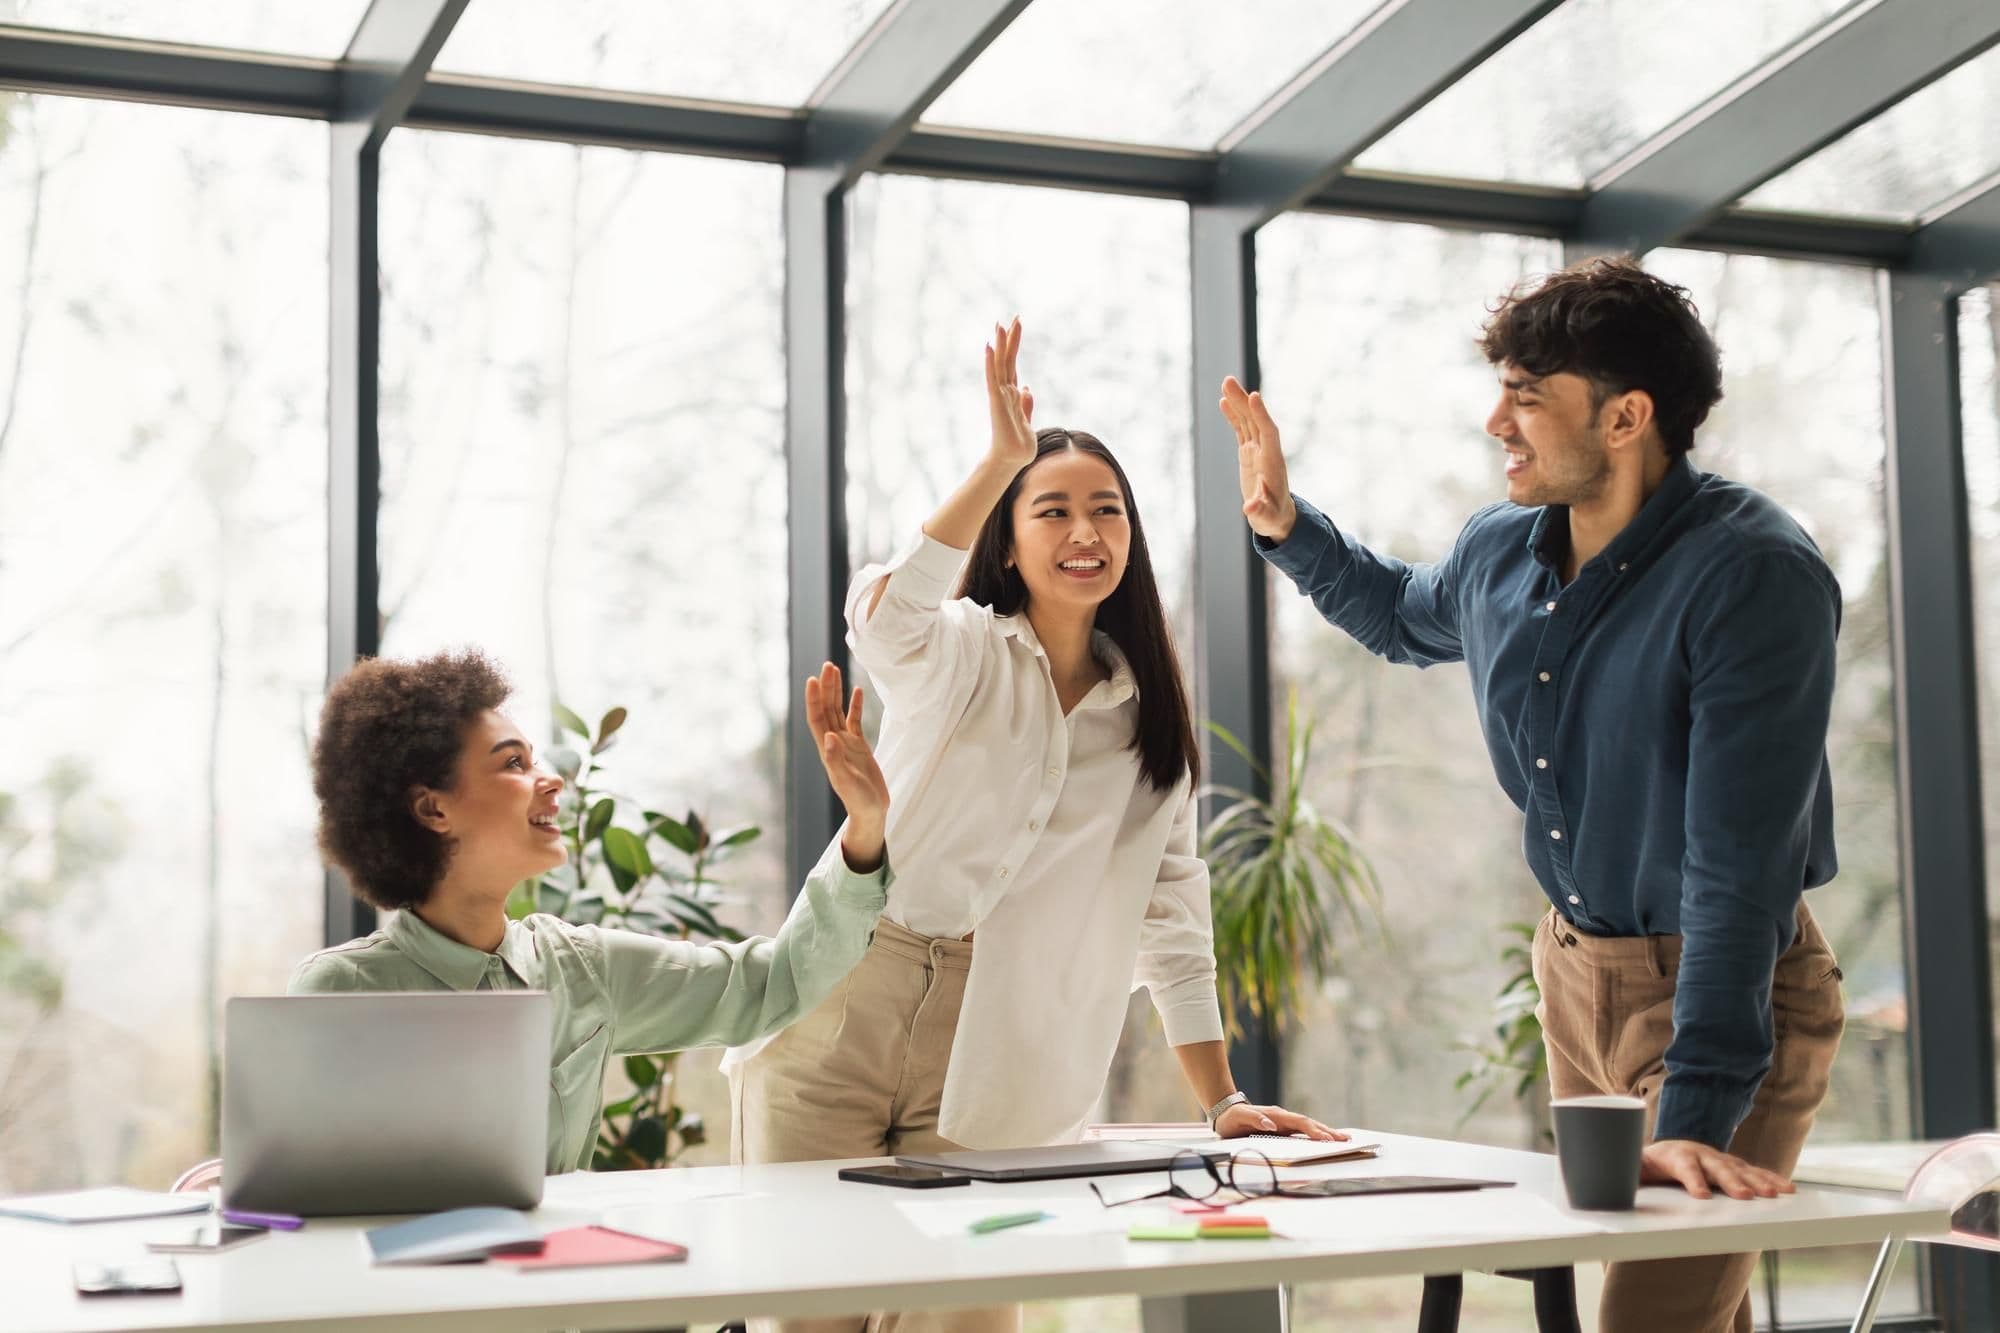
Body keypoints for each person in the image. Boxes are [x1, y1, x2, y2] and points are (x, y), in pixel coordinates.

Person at [1226, 256, 1845, 1333]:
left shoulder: (1751, 575)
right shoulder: (1496, 551)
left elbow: (1737, 871)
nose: (1492, 422)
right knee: (1688, 1309)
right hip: (1571, 976)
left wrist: (1695, 1111)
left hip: (1718, 989)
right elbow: (1398, 616)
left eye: (1525, 395)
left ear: (1625, 417)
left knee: (1650, 1315)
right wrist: (1285, 523)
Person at [730, 319, 1340, 1333]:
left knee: (965, 1318)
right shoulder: (962, 651)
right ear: (1007, 541)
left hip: (993, 1046)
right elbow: (881, 619)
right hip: (841, 999)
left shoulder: (1148, 724)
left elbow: (1172, 922)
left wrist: (1219, 1097)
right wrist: (995, 463)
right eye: (1049, 509)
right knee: (810, 1313)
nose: (1082, 531)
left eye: (1105, 510)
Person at [291, 648, 892, 1176]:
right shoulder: (342, 991)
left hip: (560, 1294)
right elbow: (298, 1179)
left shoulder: (582, 970)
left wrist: (864, 827)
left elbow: (771, 984)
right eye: (513, 764)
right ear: (433, 810)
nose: (551, 780)